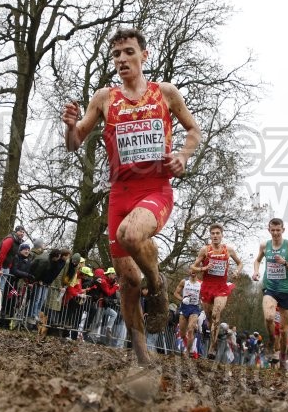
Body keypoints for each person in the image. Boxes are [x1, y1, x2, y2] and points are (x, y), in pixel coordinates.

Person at [62, 27, 201, 366]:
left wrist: (182, 155)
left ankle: (157, 286)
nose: (122, 59)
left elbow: (194, 130)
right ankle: (142, 359)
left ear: (144, 55)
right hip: (119, 194)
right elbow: (74, 142)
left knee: (131, 234)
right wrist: (69, 126)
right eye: (116, 55)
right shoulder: (105, 98)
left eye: (128, 52)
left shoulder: (165, 93)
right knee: (126, 282)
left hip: (155, 189)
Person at [252, 218, 288, 367]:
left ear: (283, 230)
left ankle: (281, 357)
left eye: (278, 230)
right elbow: (257, 260)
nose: (275, 233)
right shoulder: (264, 245)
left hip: (286, 291)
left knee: (284, 329)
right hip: (270, 288)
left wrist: (285, 263)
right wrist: (256, 272)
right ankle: (272, 340)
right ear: (269, 230)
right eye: (272, 230)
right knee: (269, 317)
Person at [190, 223, 243, 358]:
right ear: (210, 235)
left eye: (217, 233)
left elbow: (240, 263)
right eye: (212, 233)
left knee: (215, 315)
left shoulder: (228, 250)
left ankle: (212, 348)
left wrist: (237, 271)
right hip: (207, 286)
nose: (215, 236)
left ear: (221, 235)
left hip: (221, 287)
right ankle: (212, 340)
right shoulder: (205, 250)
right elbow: (193, 267)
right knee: (208, 318)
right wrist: (204, 268)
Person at [173, 269, 202, 359]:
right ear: (189, 271)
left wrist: (202, 300)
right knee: (182, 333)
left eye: (195, 270)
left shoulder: (201, 283)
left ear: (197, 272)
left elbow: (205, 296)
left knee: (190, 329)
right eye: (191, 270)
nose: (193, 271)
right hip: (184, 307)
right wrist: (182, 299)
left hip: (194, 308)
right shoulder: (184, 281)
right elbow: (175, 293)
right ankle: (187, 346)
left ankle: (187, 352)